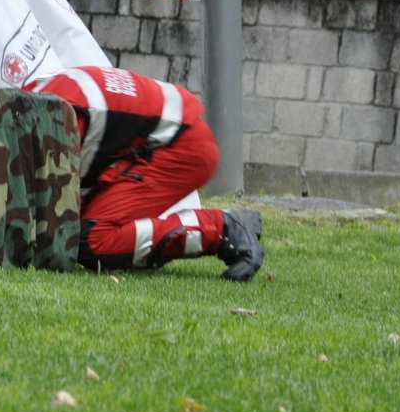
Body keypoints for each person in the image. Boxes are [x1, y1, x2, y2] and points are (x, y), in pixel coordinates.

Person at [26, 65, 264, 280]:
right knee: (78, 227)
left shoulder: (51, 121)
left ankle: (223, 227)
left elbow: (52, 218)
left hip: (182, 147)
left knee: (91, 240)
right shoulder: (31, 101)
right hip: (168, 133)